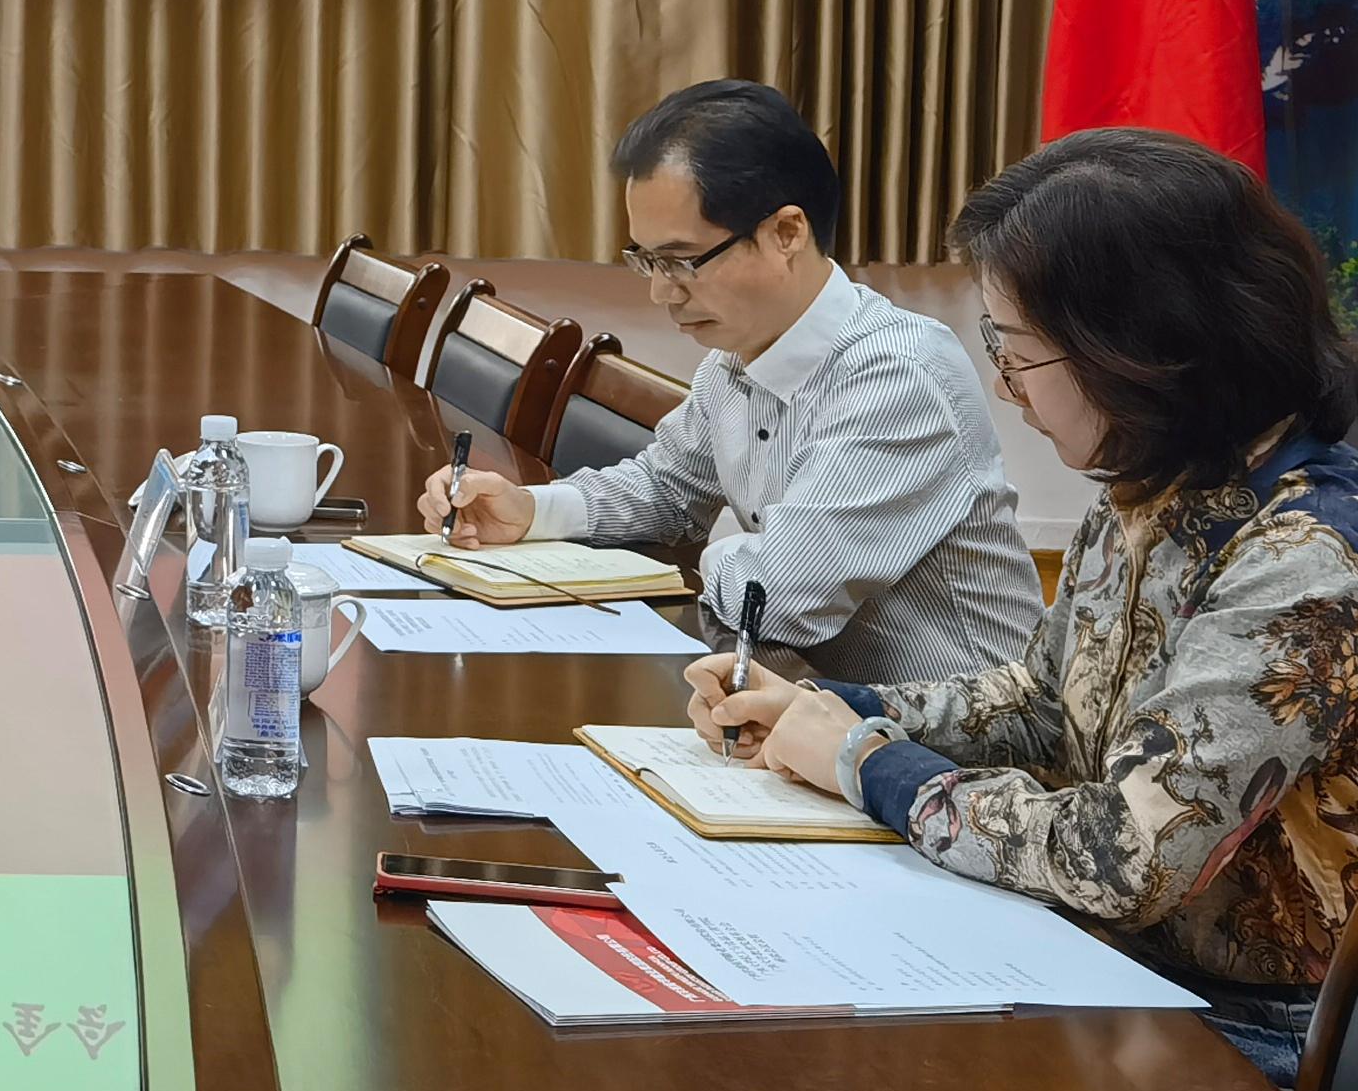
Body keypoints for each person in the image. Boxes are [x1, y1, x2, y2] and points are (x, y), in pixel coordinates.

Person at [692, 127, 1358, 1081]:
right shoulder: (1154, 484)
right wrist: (837, 709)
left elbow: (1128, 856)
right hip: (1126, 958)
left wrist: (869, 763)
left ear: (1142, 349)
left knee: (849, 1070)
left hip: (1286, 1029)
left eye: (1017, 352)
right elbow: (1045, 701)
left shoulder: (1307, 564)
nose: (1002, 385)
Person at [415, 79, 1040, 683]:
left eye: (682, 261)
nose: (662, 292)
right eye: (648, 261)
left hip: (952, 734)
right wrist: (530, 510)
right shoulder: (736, 356)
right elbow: (668, 488)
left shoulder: (896, 377)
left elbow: (777, 595)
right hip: (802, 699)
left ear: (786, 233)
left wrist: (729, 552)